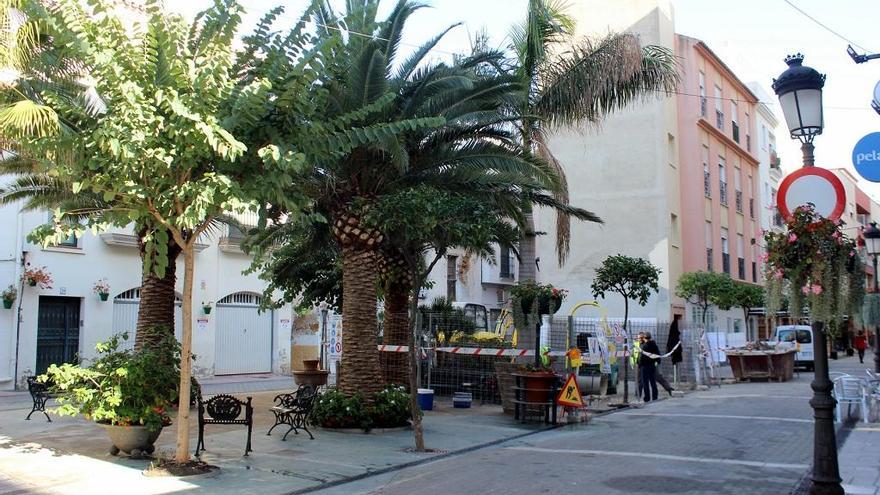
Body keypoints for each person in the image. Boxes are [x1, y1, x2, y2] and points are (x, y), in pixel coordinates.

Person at [640, 332, 661, 402]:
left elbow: (642, 357)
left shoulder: (645, 346)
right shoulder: (654, 345)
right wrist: (657, 362)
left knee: (645, 382)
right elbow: (658, 355)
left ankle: (647, 397)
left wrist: (640, 364)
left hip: (645, 366)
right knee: (653, 382)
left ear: (645, 338)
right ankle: (655, 396)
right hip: (652, 365)